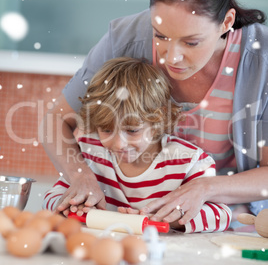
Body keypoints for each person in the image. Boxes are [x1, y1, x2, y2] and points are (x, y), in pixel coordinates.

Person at [41, 0, 268, 227]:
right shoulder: (124, 39)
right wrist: (81, 176)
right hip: (131, 221)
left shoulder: (261, 61)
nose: (171, 57)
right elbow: (55, 121)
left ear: (226, 22)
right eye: (160, 35)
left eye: (191, 42)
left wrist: (204, 188)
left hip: (219, 222)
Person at [43, 57, 231, 233]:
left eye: (132, 131)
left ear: (158, 121)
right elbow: (53, 196)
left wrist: (161, 220)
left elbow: (221, 215)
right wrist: (71, 207)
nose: (119, 144)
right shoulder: (90, 151)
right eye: (107, 130)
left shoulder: (190, 162)